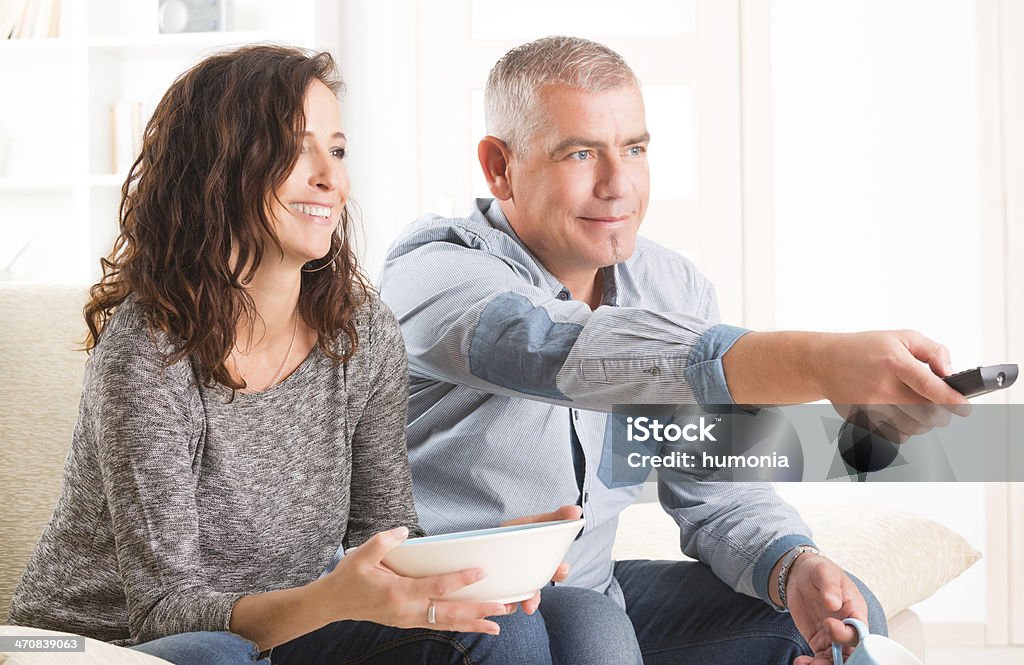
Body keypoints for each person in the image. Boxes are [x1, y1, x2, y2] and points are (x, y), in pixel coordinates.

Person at [379, 36, 970, 665]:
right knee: (553, 634)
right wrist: (821, 363)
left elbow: (716, 483)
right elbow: (565, 351)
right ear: (499, 166)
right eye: (581, 153)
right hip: (433, 608)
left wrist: (791, 563)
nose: (618, 185)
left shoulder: (673, 286)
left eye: (634, 149)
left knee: (843, 619)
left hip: (585, 588)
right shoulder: (434, 269)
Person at [8, 45, 572, 665]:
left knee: (495, 625)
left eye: (335, 150)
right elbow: (160, 607)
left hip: (277, 628)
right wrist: (332, 599)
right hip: (86, 642)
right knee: (214, 655)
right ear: (217, 168)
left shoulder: (360, 333)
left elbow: (385, 539)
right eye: (293, 148)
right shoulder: (151, 345)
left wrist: (482, 560)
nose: (329, 177)